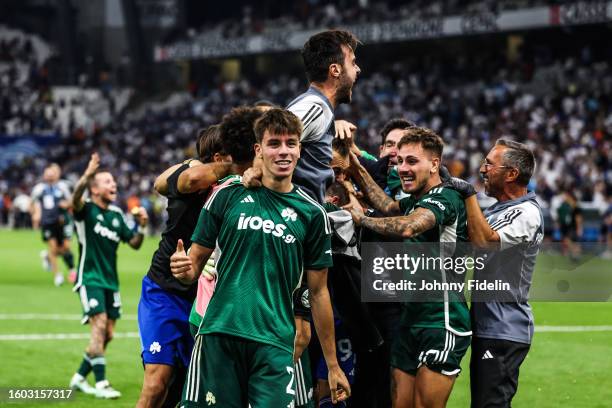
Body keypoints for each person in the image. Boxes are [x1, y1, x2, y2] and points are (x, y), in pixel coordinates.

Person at [171, 108, 351, 407]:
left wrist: (332, 365)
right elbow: (194, 267)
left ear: (299, 150)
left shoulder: (312, 214)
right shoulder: (227, 195)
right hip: (219, 333)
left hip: (275, 342)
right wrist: (183, 269)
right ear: (259, 149)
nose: (283, 151)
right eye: (274, 143)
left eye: (290, 143)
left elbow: (319, 293)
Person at [346, 127, 471, 408]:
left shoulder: (445, 197)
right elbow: (389, 206)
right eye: (400, 161)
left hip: (442, 319)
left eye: (412, 161)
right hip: (411, 317)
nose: (403, 168)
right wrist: (355, 168)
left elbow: (409, 226)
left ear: (435, 164)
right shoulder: (415, 198)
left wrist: (361, 219)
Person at [136, 125, 231, 408]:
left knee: (183, 392)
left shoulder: (236, 191)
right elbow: (174, 179)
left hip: (204, 302)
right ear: (218, 157)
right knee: (156, 384)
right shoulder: (193, 181)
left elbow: (159, 182)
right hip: (165, 290)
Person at [456, 139, 543, 408]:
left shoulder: (526, 212)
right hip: (490, 325)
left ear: (512, 174)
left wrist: (467, 194)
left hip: (504, 329)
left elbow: (485, 242)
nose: (482, 169)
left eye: (489, 164)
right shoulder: (498, 209)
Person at [68, 153, 148, 399]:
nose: (113, 185)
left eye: (113, 181)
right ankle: (101, 384)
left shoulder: (115, 215)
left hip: (111, 282)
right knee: (99, 327)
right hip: (90, 278)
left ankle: (80, 377)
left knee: (108, 334)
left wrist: (142, 226)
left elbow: (134, 243)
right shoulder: (86, 210)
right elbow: (74, 198)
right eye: (106, 182)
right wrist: (88, 174)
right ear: (93, 189)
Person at [283, 29, 361, 203]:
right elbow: (267, 147)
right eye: (353, 63)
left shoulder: (318, 109)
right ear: (335, 70)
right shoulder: (314, 107)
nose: (358, 69)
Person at [30, 163, 77, 286]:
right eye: (48, 174)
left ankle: (48, 256)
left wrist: (66, 205)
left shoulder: (63, 186)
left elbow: (71, 201)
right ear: (44, 175)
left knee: (66, 247)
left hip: (64, 221)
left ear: (57, 175)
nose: (50, 177)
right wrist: (35, 214)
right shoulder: (39, 188)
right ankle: (58, 275)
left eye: (53, 174)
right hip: (48, 222)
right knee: (53, 247)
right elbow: (32, 202)